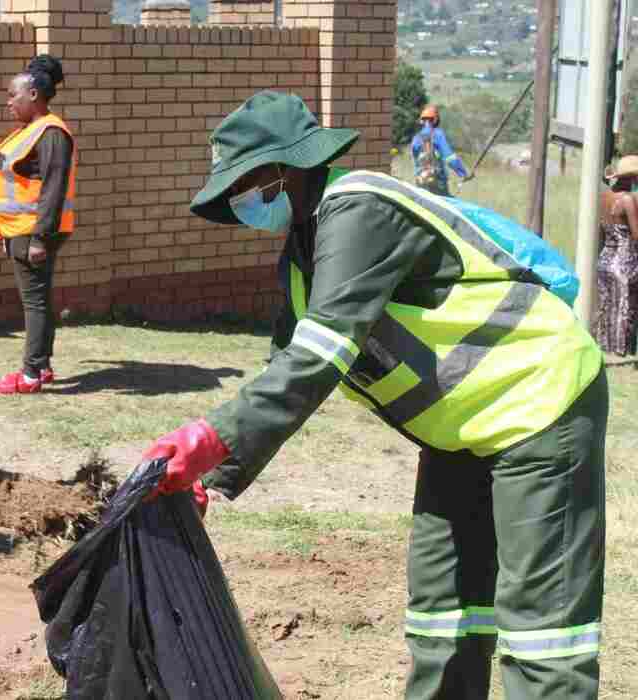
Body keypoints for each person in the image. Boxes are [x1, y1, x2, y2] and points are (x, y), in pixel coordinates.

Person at [144, 91, 606, 699]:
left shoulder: (360, 209)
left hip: (538, 403)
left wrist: (210, 439)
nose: (242, 202)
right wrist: (213, 472)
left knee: (541, 630)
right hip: (459, 433)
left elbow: (318, 358)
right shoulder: (304, 255)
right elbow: (285, 363)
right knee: (443, 611)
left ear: (288, 169)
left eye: (247, 185)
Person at [0, 55, 76, 395]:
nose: (9, 102)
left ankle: (30, 374)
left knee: (34, 302)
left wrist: (40, 237)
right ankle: (42, 366)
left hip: (34, 231)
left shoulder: (51, 133)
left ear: (34, 94)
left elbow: (54, 187)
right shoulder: (29, 132)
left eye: (14, 95)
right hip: (21, 230)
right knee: (39, 299)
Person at [594, 155, 638, 355]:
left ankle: (605, 346)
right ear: (633, 177)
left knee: (607, 305)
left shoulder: (604, 197)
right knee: (625, 307)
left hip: (605, 258)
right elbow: (636, 235)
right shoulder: (627, 200)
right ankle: (622, 351)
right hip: (625, 260)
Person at [410, 104, 469, 196]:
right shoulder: (438, 134)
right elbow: (450, 158)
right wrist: (463, 173)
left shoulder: (416, 138)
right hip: (437, 182)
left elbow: (416, 161)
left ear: (421, 121)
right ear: (435, 120)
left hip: (421, 182)